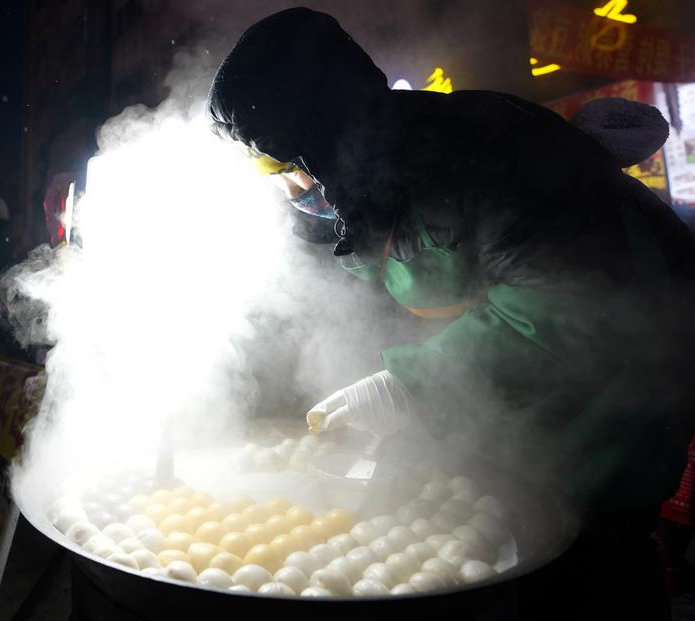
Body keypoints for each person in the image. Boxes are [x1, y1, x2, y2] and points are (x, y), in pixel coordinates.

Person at [209, 8, 695, 618]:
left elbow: (567, 309)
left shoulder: (492, 154)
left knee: (589, 568)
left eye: (278, 164)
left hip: (616, 404)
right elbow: (345, 305)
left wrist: (410, 387)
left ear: (326, 136)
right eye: (262, 168)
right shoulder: (358, 195)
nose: (281, 188)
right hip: (515, 422)